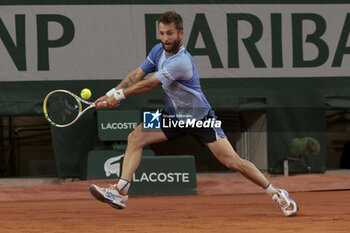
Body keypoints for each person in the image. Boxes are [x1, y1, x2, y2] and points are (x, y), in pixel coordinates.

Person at [89, 11, 298, 217]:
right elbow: (137, 75)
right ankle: (121, 191)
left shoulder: (182, 62)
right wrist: (110, 94)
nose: (165, 38)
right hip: (172, 116)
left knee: (233, 162)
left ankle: (276, 192)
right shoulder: (157, 51)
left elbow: (149, 84)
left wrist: (118, 97)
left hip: (200, 118)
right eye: (162, 33)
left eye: (170, 33)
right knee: (136, 136)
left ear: (181, 34)